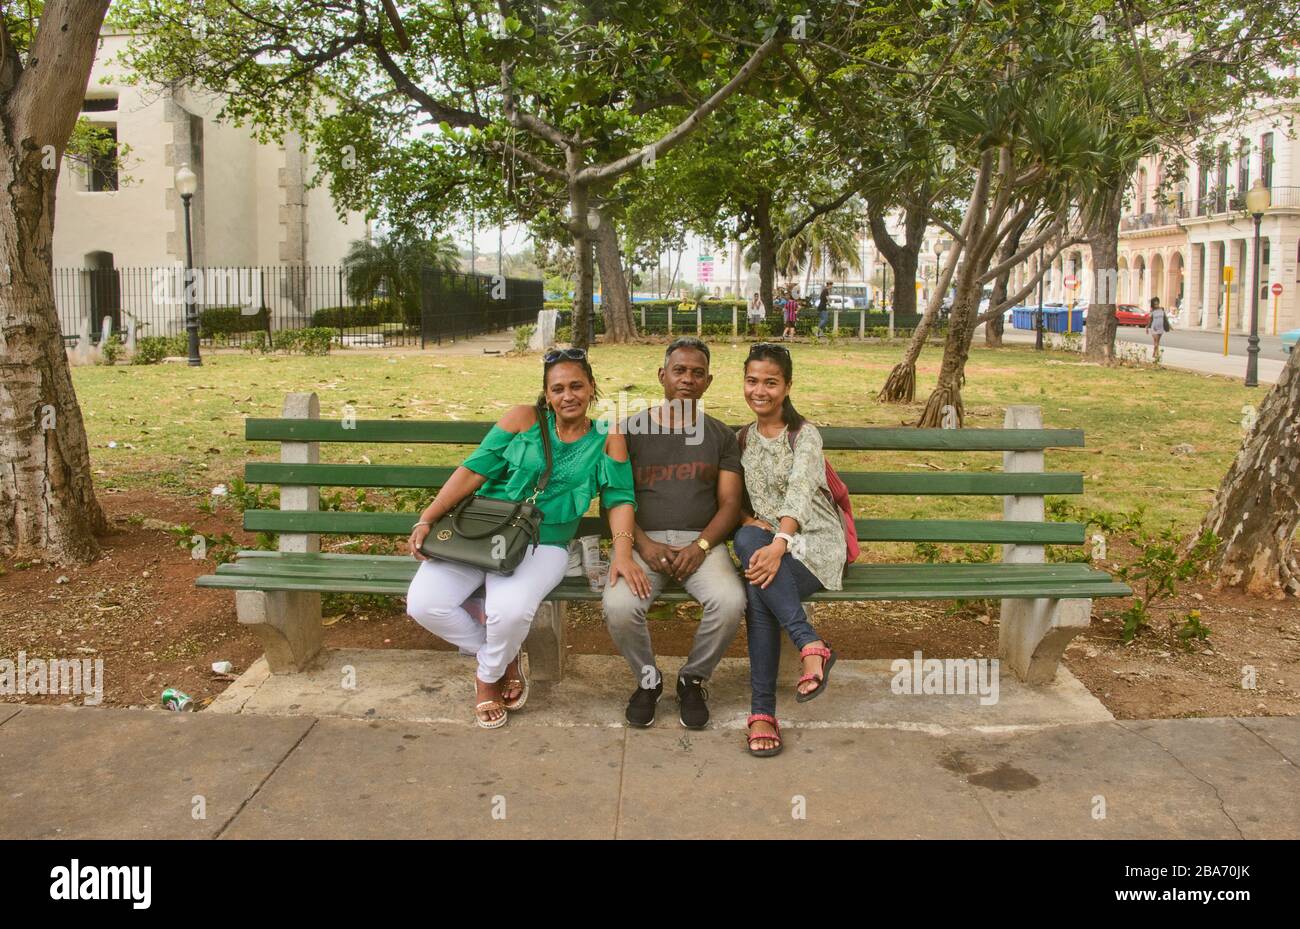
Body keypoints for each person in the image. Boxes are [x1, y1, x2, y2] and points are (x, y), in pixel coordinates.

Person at [406, 348, 649, 729]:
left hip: (544, 543)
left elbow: (619, 499)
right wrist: (428, 518)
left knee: (510, 612)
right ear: (546, 394)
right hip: (482, 532)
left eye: (576, 386)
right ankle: (504, 656)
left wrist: (622, 553)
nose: (568, 396)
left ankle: (487, 677)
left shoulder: (607, 437)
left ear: (591, 388)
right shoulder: (522, 419)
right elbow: (474, 471)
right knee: (424, 604)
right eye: (558, 389)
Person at [604, 338, 746, 728]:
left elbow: (731, 504)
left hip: (702, 542)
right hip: (639, 541)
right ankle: (648, 679)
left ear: (708, 381)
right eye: (679, 370)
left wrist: (701, 546)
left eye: (697, 373)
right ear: (662, 375)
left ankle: (692, 678)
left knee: (730, 601)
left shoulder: (720, 436)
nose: (688, 379)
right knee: (618, 606)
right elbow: (614, 497)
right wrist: (644, 545)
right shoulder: (630, 430)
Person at [732, 343, 846, 757]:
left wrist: (780, 543)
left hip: (814, 544)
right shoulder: (742, 437)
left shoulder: (804, 435)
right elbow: (732, 498)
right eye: (752, 380)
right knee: (747, 544)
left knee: (757, 589)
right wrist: (747, 521)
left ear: (787, 386)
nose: (759, 390)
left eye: (770, 382)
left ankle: (762, 713)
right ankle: (811, 645)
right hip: (766, 546)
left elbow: (798, 494)